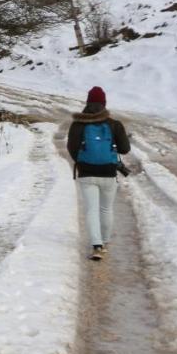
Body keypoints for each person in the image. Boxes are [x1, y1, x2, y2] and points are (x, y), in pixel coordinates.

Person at [67, 86, 131, 261]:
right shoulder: (114, 124)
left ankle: (97, 245)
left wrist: (82, 162)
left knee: (91, 209)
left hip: (87, 172)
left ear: (87, 102)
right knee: (106, 208)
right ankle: (105, 242)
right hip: (108, 173)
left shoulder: (78, 124)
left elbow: (71, 148)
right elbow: (125, 149)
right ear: (104, 103)